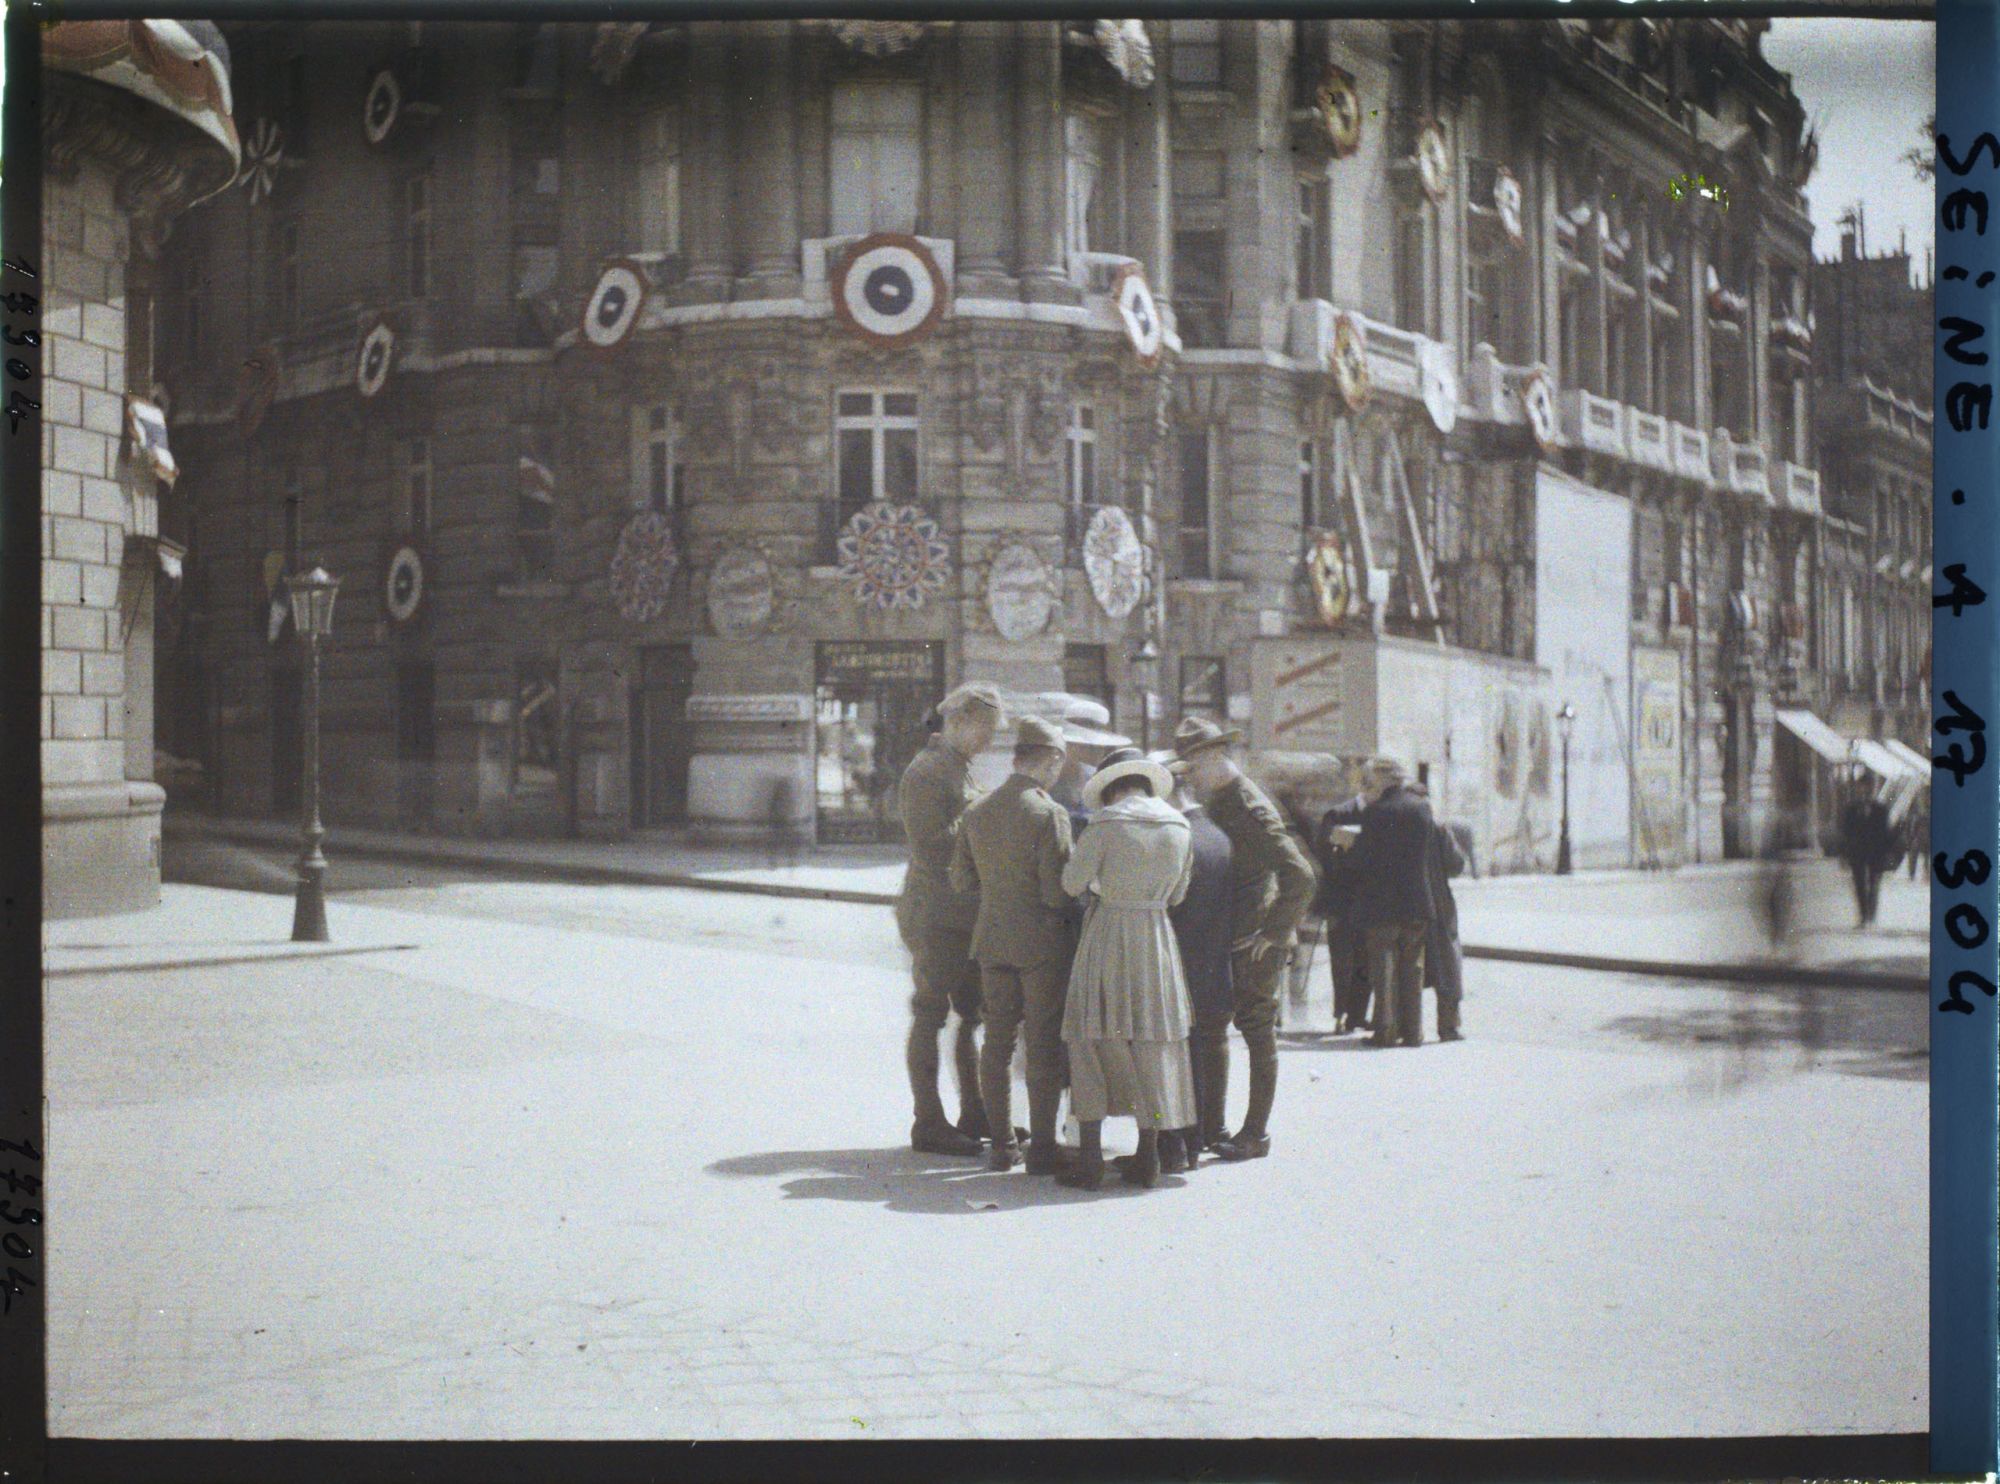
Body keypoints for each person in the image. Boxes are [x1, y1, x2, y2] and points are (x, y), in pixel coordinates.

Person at [1173, 717, 1317, 1162]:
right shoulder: (1221, 798)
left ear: (1214, 757)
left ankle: (1255, 1133)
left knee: (1256, 1028)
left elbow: (1301, 875)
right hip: (1229, 931)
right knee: (1215, 1025)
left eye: (1192, 768)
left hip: (1253, 937)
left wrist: (1274, 933)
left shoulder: (1249, 807)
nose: (1190, 779)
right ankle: (1212, 1126)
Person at [1057, 749, 1196, 1191]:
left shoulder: (1105, 823)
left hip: (1109, 931)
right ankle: (1149, 1155)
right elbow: (1178, 896)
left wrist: (1103, 884)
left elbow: (1071, 883)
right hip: (1156, 936)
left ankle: (1092, 1158)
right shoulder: (1179, 825)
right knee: (1153, 1041)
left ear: (1112, 787)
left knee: (1092, 1036)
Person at [948, 716, 1076, 1174]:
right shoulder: (1048, 814)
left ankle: (1001, 1145)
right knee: (1042, 1044)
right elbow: (1056, 893)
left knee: (996, 1044)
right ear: (1051, 761)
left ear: (1017, 759)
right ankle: (1042, 1147)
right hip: (1040, 946)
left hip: (992, 942)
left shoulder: (977, 810)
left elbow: (962, 881)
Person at [895, 682, 1001, 1156]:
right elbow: (931, 845)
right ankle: (928, 1121)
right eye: (986, 729)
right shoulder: (926, 771)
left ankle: (974, 1111)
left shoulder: (957, 768)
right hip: (935, 913)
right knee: (931, 1013)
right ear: (959, 722)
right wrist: (984, 813)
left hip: (964, 912)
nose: (991, 740)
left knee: (972, 1015)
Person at [1149, 753, 1233, 1173]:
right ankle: (1199, 1138)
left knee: (1172, 1058)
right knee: (1203, 1053)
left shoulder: (1178, 838)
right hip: (1215, 963)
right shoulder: (1216, 835)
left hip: (1177, 964)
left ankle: (1175, 1145)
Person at [1320, 757, 1439, 1048]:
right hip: (1416, 901)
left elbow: (1363, 860)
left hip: (1382, 903)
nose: (1368, 788)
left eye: (1371, 782)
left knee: (1383, 966)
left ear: (1384, 781)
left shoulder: (1376, 812)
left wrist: (1346, 848)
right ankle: (1413, 1032)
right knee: (1413, 968)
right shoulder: (1422, 809)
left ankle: (1385, 1030)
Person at [1410, 786, 1468, 1042]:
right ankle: (1448, 1026)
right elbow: (1456, 865)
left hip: (1410, 905)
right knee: (1447, 966)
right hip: (1440, 906)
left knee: (1411, 967)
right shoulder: (1439, 829)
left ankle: (1410, 1028)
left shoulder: (1403, 829)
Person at [1311, 811, 1369, 1035]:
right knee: (1342, 964)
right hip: (1339, 910)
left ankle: (1356, 1015)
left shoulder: (1370, 820)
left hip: (1363, 909)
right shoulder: (1336, 816)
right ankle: (1340, 1013)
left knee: (1363, 963)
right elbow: (1324, 867)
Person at [1837, 779, 1895, 928]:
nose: (1864, 792)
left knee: (1874, 885)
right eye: (1861, 789)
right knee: (1859, 885)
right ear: (1857, 790)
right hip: (1857, 854)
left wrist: (1888, 854)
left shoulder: (1880, 810)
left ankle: (1871, 917)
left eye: (1867, 789)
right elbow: (1845, 834)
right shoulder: (1850, 809)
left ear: (1872, 790)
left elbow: (1886, 833)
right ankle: (1863, 917)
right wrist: (1843, 855)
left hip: (1876, 853)